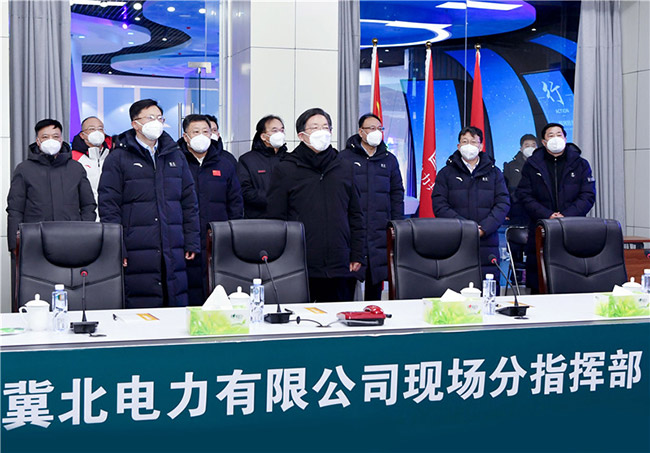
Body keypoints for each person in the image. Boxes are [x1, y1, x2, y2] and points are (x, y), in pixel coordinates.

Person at [98, 99, 200, 308]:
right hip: (136, 245)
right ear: (135, 124)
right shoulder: (118, 158)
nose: (156, 122)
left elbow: (189, 202)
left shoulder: (175, 155)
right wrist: (117, 246)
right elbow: (109, 205)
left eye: (159, 118)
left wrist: (191, 240)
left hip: (173, 243)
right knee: (141, 303)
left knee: (174, 301)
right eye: (150, 118)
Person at [266, 108, 365, 302]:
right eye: (314, 127)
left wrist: (357, 254)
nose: (321, 132)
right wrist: (281, 260)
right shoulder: (286, 169)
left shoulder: (344, 167)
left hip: (340, 263)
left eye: (325, 127)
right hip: (300, 264)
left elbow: (356, 214)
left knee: (338, 316)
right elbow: (276, 219)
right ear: (301, 135)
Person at [7, 119, 96, 300]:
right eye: (45, 137)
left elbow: (88, 205)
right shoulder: (24, 169)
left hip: (71, 243)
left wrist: (84, 232)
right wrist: (15, 244)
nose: (51, 141)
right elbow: (15, 210)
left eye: (55, 136)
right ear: (38, 141)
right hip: (35, 245)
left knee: (71, 295)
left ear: (62, 139)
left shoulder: (75, 168)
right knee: (36, 296)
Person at [516, 122, 596, 293]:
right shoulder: (532, 165)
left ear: (565, 138)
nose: (555, 138)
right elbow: (524, 195)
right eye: (550, 135)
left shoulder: (581, 164)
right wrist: (548, 215)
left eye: (559, 134)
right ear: (544, 142)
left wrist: (566, 216)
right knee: (539, 281)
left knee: (572, 280)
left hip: (573, 229)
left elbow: (588, 195)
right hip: (541, 228)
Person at [178, 114, 244, 305]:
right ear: (185, 136)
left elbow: (235, 203)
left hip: (217, 239)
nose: (201, 136)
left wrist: (232, 234)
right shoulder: (176, 162)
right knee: (187, 292)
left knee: (217, 289)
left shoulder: (225, 163)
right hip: (185, 240)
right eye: (195, 132)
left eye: (205, 131)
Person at [432, 126, 510, 284]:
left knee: (487, 285)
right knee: (456, 286)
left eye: (473, 142)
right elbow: (440, 205)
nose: (469, 146)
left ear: (481, 146)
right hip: (456, 239)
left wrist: (484, 228)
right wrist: (466, 228)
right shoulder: (446, 173)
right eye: (465, 142)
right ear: (458, 146)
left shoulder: (494, 173)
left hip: (487, 240)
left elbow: (503, 203)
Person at [340, 113, 404, 300]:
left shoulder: (389, 160)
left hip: (379, 231)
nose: (376, 132)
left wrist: (396, 225)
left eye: (379, 128)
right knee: (345, 285)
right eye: (371, 128)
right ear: (361, 132)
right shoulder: (344, 158)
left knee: (375, 285)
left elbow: (396, 194)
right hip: (352, 232)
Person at [237, 115, 288, 218]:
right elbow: (244, 190)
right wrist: (274, 199)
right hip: (258, 220)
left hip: (287, 220)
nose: (280, 134)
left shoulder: (290, 159)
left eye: (282, 130)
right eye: (275, 130)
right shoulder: (247, 160)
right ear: (263, 136)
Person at [70, 116, 113, 203]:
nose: (97, 132)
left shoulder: (113, 156)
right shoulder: (73, 157)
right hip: (84, 208)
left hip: (109, 208)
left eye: (100, 129)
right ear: (82, 135)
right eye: (91, 129)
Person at [503, 133, 537, 226]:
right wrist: (506, 211)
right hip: (517, 209)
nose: (530, 148)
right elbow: (505, 189)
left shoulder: (543, 165)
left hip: (538, 209)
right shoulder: (510, 166)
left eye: (533, 145)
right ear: (521, 148)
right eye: (527, 145)